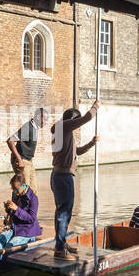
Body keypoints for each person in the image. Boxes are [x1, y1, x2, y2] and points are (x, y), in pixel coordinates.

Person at [49, 101, 100, 259]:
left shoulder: (63, 132)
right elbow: (86, 118)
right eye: (75, 121)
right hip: (63, 177)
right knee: (64, 214)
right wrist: (95, 107)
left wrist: (92, 143)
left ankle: (61, 244)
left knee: (62, 213)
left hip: (59, 176)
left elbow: (76, 151)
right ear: (71, 118)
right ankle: (59, 250)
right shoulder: (63, 126)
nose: (77, 124)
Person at [0, 173, 41, 250]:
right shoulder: (15, 194)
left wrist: (17, 209)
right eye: (12, 189)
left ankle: (1, 260)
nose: (14, 191)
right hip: (14, 227)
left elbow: (31, 219)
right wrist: (8, 209)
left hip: (27, 231)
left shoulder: (33, 198)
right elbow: (13, 213)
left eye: (16, 189)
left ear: (23, 185)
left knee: (9, 247)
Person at [6, 107, 47, 192]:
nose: (46, 122)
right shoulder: (28, 127)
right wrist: (19, 160)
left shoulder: (34, 127)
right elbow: (10, 141)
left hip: (29, 161)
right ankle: (18, 205)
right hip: (22, 161)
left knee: (33, 191)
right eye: (45, 119)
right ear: (39, 117)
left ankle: (32, 205)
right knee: (25, 191)